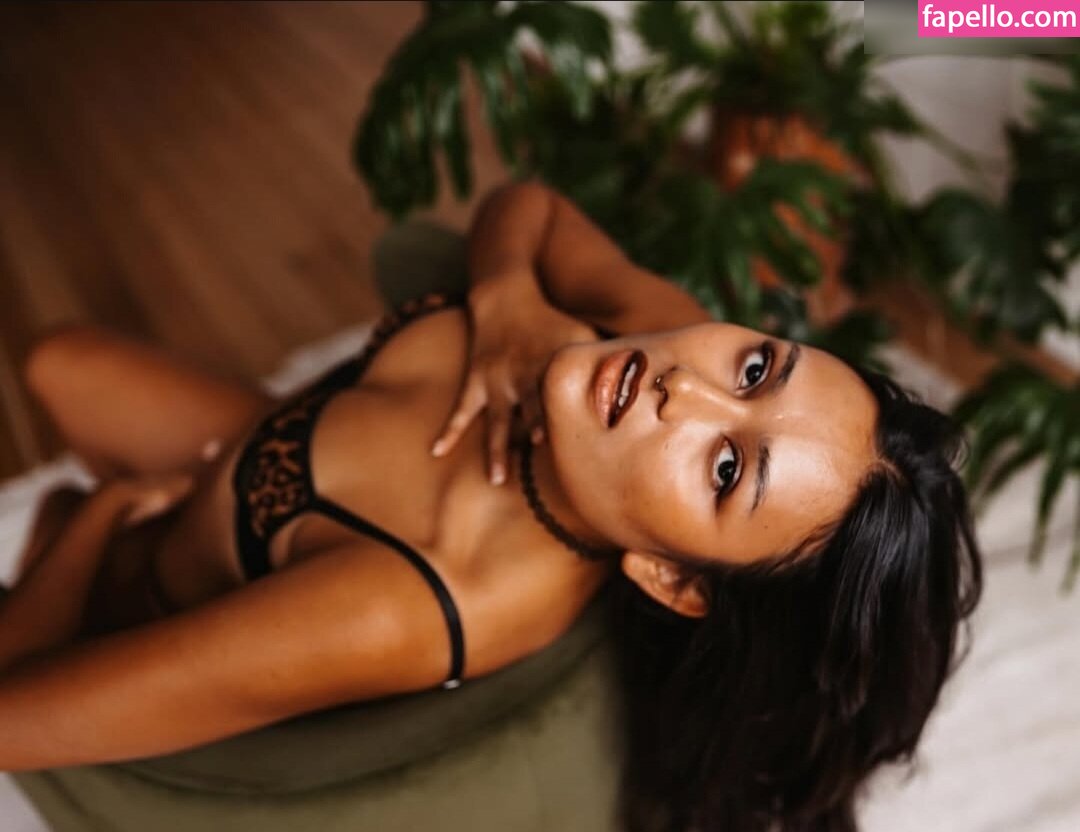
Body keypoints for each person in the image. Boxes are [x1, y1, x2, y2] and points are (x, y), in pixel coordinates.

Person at [1, 180, 982, 831]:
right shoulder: (655, 346)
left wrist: (99, 516)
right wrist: (508, 294)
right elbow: (531, 206)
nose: (687, 389)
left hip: (141, 582)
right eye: (760, 368)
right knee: (55, 363)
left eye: (726, 470)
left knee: (64, 487)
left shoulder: (412, 599)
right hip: (266, 449)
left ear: (670, 577)